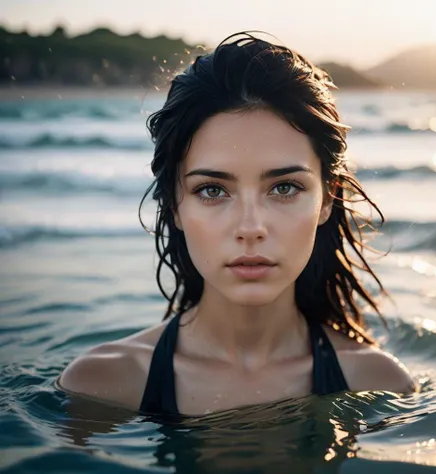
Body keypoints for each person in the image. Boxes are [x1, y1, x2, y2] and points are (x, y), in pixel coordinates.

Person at [58, 32, 417, 416]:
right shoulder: (102, 385)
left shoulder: (378, 384)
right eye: (212, 190)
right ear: (174, 206)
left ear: (327, 199)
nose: (250, 227)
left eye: (284, 187)